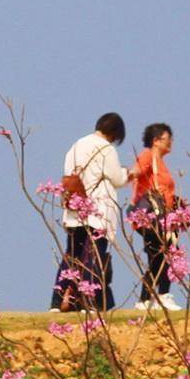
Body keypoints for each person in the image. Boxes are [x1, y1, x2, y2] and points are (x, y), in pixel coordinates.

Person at [53, 113, 131, 312]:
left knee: (72, 255)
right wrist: (129, 173)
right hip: (98, 211)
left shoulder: (76, 146)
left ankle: (58, 299)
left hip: (75, 209)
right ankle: (87, 301)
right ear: (115, 134)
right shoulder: (106, 149)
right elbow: (117, 179)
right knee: (93, 255)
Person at [128, 121, 185, 311]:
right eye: (168, 139)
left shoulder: (161, 163)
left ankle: (149, 299)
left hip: (164, 217)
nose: (171, 143)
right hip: (150, 216)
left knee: (162, 255)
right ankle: (160, 296)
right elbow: (135, 172)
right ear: (156, 140)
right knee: (160, 254)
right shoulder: (148, 156)